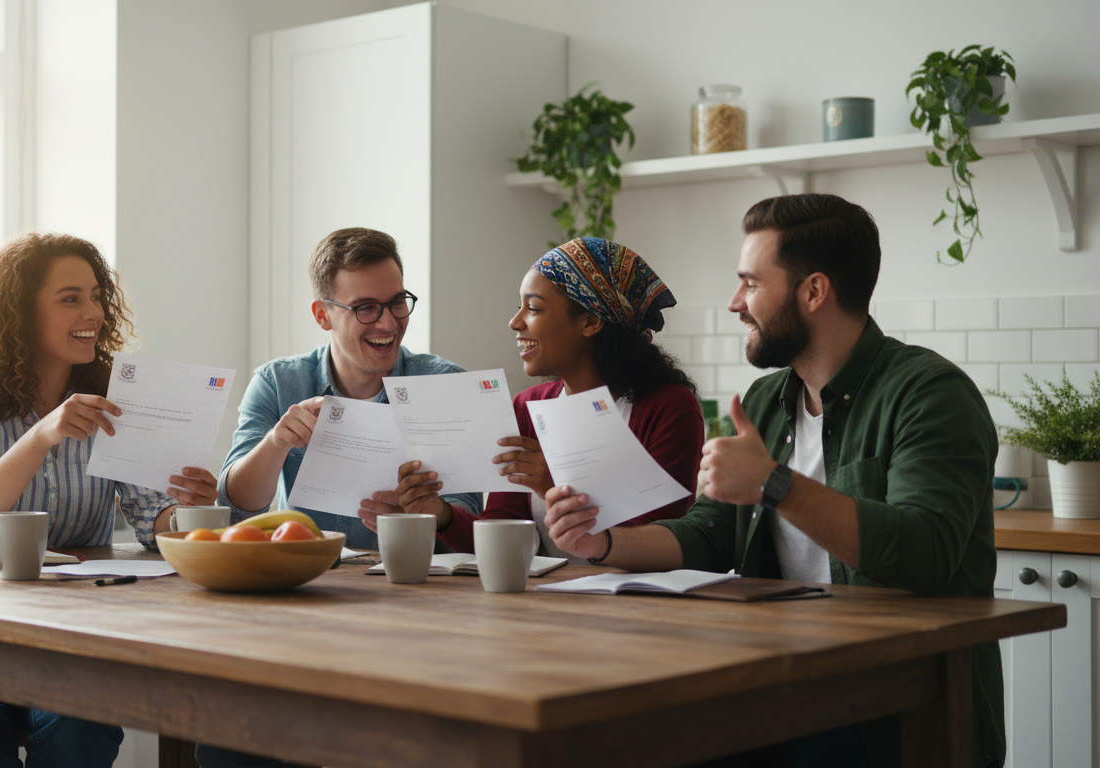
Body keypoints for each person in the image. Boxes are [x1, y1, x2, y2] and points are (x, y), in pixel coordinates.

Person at [545, 194, 1002, 767]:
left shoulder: (929, 394)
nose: (736, 303)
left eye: (751, 284)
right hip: (784, 691)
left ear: (813, 292)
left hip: (901, 707)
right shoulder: (767, 400)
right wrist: (604, 543)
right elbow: (712, 533)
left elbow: (926, 550)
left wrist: (774, 484)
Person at [0, 233, 219, 768]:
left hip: (69, 641)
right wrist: (40, 436)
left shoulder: (120, 395)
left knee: (85, 730)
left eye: (96, 296)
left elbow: (150, 518)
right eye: (70, 298)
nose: (92, 311)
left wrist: (188, 509)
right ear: (19, 313)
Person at [203, 227, 482, 767]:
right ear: (322, 313)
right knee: (230, 735)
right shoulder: (279, 383)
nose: (388, 323)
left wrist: (430, 512)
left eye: (398, 303)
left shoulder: (443, 383)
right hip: (301, 601)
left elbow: (471, 514)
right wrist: (275, 442)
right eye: (366, 308)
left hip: (416, 612)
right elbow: (237, 503)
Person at [357, 237, 703, 560]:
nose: (514, 322)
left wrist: (553, 485)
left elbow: (662, 542)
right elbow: (501, 535)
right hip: (540, 606)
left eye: (533, 309)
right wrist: (440, 513)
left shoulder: (669, 407)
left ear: (590, 321)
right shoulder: (527, 406)